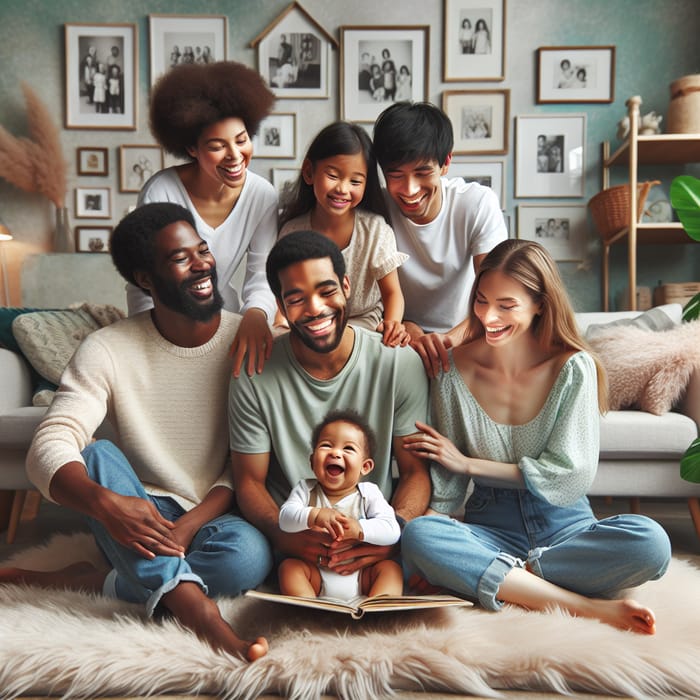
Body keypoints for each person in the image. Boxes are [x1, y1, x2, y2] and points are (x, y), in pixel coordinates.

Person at [2, 203, 273, 661]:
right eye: (180, 258)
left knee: (246, 559)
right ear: (145, 279)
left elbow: (244, 461)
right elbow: (50, 444)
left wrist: (191, 522)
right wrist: (105, 504)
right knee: (95, 456)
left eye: (202, 250)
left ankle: (94, 581)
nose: (203, 264)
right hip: (136, 506)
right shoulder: (107, 348)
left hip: (214, 512)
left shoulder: (245, 342)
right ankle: (207, 621)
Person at [400, 239, 672, 634]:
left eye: (505, 306)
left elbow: (568, 476)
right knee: (421, 536)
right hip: (489, 527)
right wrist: (421, 547)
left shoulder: (573, 368)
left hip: (565, 528)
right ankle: (582, 605)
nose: (488, 316)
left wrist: (468, 463)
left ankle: (515, 583)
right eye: (481, 300)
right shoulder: (451, 370)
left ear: (540, 304)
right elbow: (448, 485)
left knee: (652, 543)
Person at [229, 231, 430, 588]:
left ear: (347, 286)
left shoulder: (399, 362)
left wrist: (389, 535)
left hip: (371, 531)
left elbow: (415, 473)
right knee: (243, 560)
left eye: (327, 291)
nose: (316, 309)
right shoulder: (253, 373)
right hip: (291, 539)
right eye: (296, 298)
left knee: (425, 547)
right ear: (280, 304)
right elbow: (249, 481)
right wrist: (283, 535)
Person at [132, 61, 279, 378]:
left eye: (241, 140)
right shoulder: (161, 191)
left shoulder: (262, 196)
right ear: (191, 148)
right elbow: (144, 277)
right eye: (217, 146)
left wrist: (256, 314)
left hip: (225, 322)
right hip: (167, 324)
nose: (235, 156)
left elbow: (262, 273)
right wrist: (150, 343)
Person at [372, 101, 507, 371]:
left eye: (422, 173)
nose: (409, 190)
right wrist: (410, 331)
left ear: (446, 163)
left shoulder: (476, 204)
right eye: (395, 175)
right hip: (399, 337)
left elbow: (497, 299)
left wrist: (446, 340)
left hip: (467, 333)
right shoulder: (376, 207)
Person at [279, 121, 409, 346]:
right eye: (333, 175)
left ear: (366, 184)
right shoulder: (293, 231)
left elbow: (392, 293)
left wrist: (393, 324)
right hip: (312, 326)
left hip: (366, 328)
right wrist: (280, 327)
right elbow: (282, 294)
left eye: (355, 181)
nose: (342, 188)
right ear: (310, 172)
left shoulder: (375, 230)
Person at [278, 409, 403, 600]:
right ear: (312, 461)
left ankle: (377, 608)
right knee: (289, 568)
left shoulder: (368, 493)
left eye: (348, 449)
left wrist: (360, 529)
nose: (336, 453)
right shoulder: (306, 489)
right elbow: (285, 519)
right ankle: (308, 607)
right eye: (326, 445)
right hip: (316, 574)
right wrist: (315, 515)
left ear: (365, 466)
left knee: (390, 570)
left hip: (362, 576)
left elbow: (392, 529)